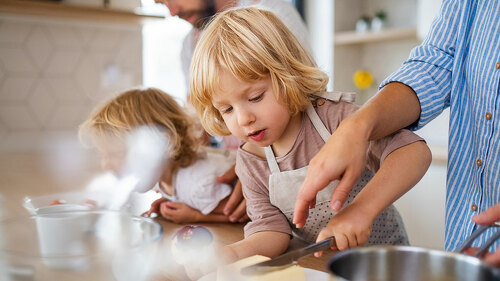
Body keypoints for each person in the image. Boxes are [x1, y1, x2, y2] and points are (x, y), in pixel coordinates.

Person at [187, 7, 431, 276]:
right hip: (321, 269)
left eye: (255, 97)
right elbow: (272, 230)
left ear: (287, 75)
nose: (244, 119)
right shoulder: (251, 159)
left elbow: (413, 152)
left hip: (387, 264)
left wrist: (362, 210)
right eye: (227, 109)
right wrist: (231, 253)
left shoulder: (335, 119)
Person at [293, 0, 500, 266]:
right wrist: (357, 126)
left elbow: (413, 152)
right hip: (466, 241)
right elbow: (437, 61)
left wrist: (361, 208)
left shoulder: (330, 113)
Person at [154, 0, 310, 223]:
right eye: (160, 3)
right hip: (242, 194)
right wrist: (179, 191)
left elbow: (304, 98)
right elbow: (198, 126)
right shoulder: (191, 44)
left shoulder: (269, 13)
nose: (172, 11)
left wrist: (256, 168)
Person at [79, 88, 241, 223]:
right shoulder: (165, 175)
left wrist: (196, 215)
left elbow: (245, 212)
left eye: (116, 154)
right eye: (103, 155)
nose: (105, 165)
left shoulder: (197, 185)